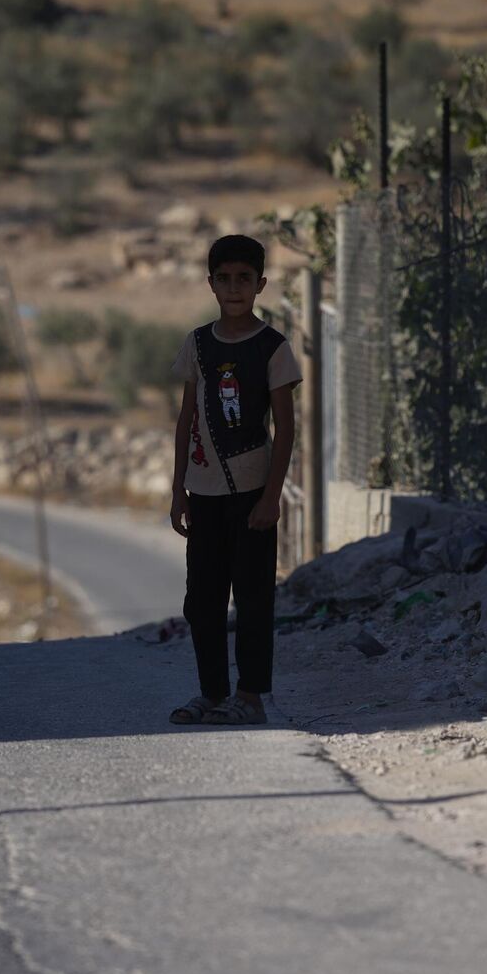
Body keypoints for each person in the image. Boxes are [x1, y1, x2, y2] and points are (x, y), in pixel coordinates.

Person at [166, 234, 302, 727]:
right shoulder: (198, 344)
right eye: (224, 278)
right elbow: (186, 419)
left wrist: (272, 496)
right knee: (202, 601)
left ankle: (250, 696)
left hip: (251, 494)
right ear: (211, 284)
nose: (234, 287)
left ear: (261, 284)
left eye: (244, 278)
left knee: (252, 598)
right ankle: (211, 692)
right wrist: (178, 487)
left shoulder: (273, 348)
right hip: (202, 492)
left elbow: (285, 428)